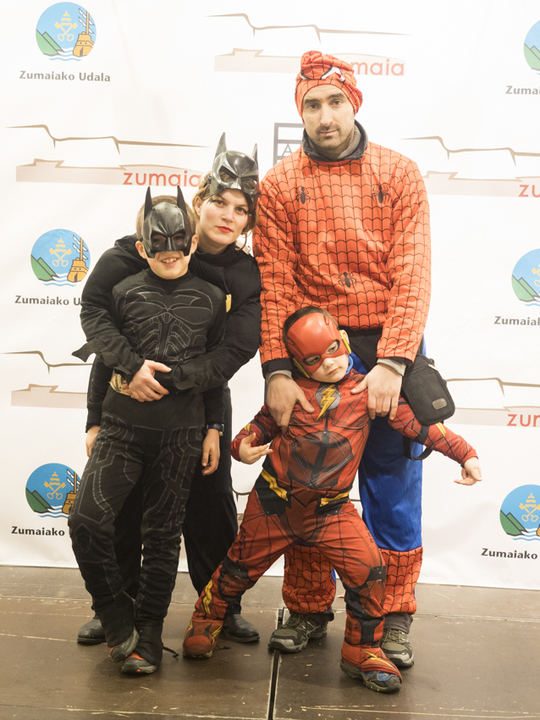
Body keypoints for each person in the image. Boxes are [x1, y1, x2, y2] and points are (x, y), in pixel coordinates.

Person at [182, 307, 482, 694]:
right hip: (275, 505)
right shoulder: (290, 390)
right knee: (237, 569)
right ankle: (206, 619)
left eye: (333, 349)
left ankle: (362, 649)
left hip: (331, 511)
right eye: (313, 359)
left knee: (369, 570)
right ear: (295, 362)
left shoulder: (367, 389)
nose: (328, 363)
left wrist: (466, 453)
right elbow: (257, 427)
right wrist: (242, 447)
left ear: (343, 339)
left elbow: (419, 426)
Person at [252, 50, 432, 666]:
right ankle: (307, 608)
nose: (324, 116)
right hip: (311, 352)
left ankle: (393, 614)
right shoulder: (279, 184)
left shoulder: (400, 173)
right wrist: (277, 370)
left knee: (392, 483)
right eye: (312, 105)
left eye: (335, 102)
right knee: (310, 485)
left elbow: (412, 272)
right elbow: (274, 283)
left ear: (354, 102)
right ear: (299, 111)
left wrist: (393, 362)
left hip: (387, 346)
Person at [75, 135, 262, 647]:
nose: (227, 216)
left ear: (249, 221)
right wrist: (106, 402)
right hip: (129, 402)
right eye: (219, 202)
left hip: (199, 404)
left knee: (212, 504)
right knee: (123, 506)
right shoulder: (138, 249)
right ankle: (118, 603)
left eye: (241, 209)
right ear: (199, 201)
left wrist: (212, 422)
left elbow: (230, 353)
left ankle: (219, 605)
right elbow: (99, 323)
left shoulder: (243, 274)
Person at [69, 187, 227, 675]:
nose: (170, 252)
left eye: (179, 243)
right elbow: (104, 357)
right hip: (121, 428)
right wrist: (94, 419)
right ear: (142, 247)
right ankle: (115, 613)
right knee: (86, 520)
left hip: (182, 434)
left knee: (161, 538)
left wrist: (215, 428)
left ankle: (150, 635)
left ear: (193, 243)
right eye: (159, 244)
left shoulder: (212, 297)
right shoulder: (120, 291)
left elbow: (214, 371)